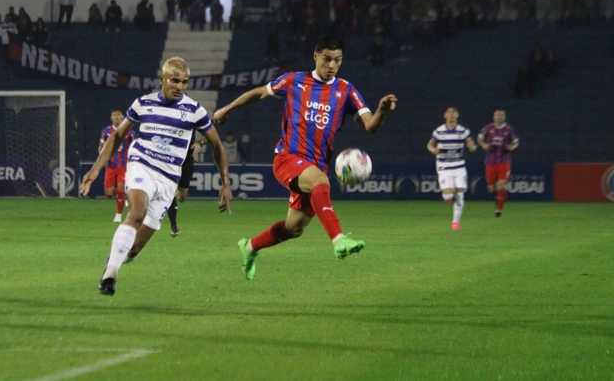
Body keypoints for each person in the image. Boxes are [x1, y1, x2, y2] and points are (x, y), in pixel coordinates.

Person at [213, 36, 397, 280]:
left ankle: (249, 247)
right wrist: (227, 109)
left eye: (337, 60)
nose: (332, 65)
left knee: (293, 229)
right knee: (322, 181)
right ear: (316, 56)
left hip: (314, 166)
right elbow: (259, 93)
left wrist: (382, 111)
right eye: (327, 59)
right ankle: (339, 239)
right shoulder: (294, 80)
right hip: (288, 158)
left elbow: (370, 126)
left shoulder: (346, 90)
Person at [80, 57, 233, 296]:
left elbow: (217, 146)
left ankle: (114, 261)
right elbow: (119, 135)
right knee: (137, 212)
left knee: (134, 249)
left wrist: (226, 183)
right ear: (162, 79)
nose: (179, 86)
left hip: (168, 179)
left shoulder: (194, 111)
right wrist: (97, 167)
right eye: (174, 80)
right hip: (142, 164)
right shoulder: (143, 104)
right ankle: (110, 276)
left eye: (184, 82)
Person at [426, 107, 477, 230]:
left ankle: (455, 222)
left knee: (460, 194)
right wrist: (434, 150)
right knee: (448, 196)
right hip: (444, 166)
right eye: (449, 113)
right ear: (445, 115)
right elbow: (430, 145)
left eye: (454, 113)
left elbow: (471, 144)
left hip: (459, 166)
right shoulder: (439, 131)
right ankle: (448, 197)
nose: (451, 115)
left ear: (457, 115)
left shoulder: (463, 131)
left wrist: (472, 147)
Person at [477, 109, 519, 217]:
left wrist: (512, 147)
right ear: (493, 117)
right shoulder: (488, 128)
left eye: (501, 115)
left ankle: (499, 210)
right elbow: (479, 138)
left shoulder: (509, 129)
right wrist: (484, 145)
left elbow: (516, 142)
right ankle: (498, 197)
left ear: (504, 117)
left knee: (501, 186)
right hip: (490, 161)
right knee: (491, 188)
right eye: (496, 115)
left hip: (504, 161)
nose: (498, 117)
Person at [98, 108, 136, 223]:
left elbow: (136, 147)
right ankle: (125, 195)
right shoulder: (106, 132)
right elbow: (101, 146)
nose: (116, 117)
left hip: (124, 166)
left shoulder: (130, 132)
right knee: (108, 193)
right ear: (111, 118)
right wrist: (102, 159)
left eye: (118, 115)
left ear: (122, 117)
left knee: (120, 189)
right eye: (114, 115)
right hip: (111, 165)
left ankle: (118, 215)